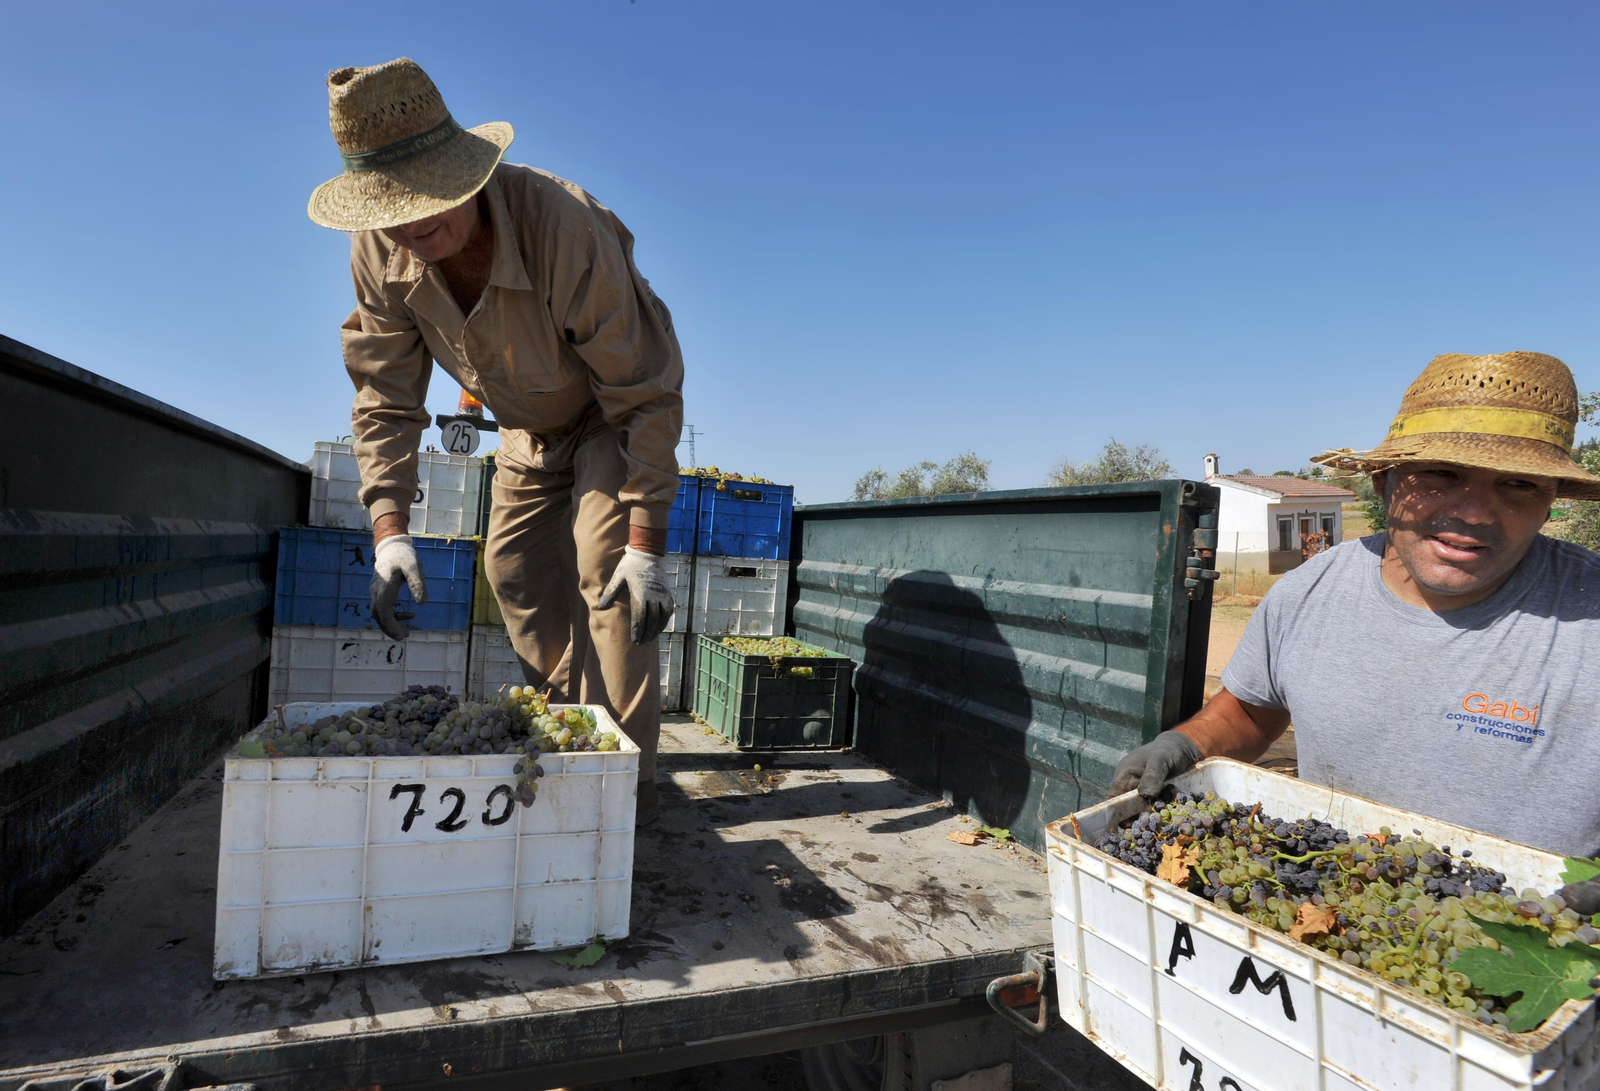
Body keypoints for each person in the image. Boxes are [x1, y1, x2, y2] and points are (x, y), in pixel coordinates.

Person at [306, 58, 684, 820]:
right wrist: (388, 531)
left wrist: (646, 540)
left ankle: (624, 805)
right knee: (510, 571)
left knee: (607, 581)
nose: (414, 222)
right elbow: (383, 395)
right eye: (393, 206)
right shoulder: (379, 255)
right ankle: (567, 746)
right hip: (523, 431)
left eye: (429, 196)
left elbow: (642, 389)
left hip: (605, 415)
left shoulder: (560, 225)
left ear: (468, 171)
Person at [1111, 351, 1600, 909]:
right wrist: (1184, 744)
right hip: (1337, 918)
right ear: (1385, 480)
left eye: (1518, 485)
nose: (1475, 512)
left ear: (1550, 501)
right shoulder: (1311, 591)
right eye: (1442, 474)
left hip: (1534, 956)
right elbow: (1253, 711)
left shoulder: (1589, 615)